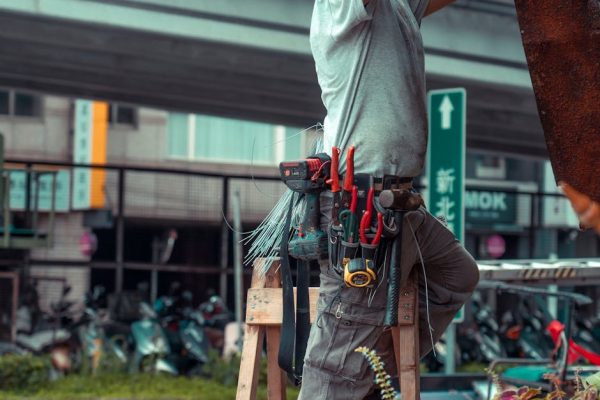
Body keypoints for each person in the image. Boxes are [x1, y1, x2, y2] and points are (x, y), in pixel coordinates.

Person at [298, 0, 479, 398]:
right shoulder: (342, 5)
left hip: (400, 200)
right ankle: (353, 374)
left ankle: (370, 376)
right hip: (358, 199)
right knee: (338, 355)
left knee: (456, 276)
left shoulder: (399, 7)